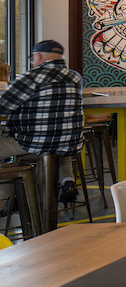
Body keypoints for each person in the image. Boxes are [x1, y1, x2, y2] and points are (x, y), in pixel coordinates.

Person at [0, 40, 84, 205]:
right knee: (57, 142)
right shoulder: (75, 77)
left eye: (32, 57)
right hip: (69, 142)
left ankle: (7, 198)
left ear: (38, 56)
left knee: (42, 140)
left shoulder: (31, 77)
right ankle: (67, 180)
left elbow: (2, 107)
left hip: (33, 143)